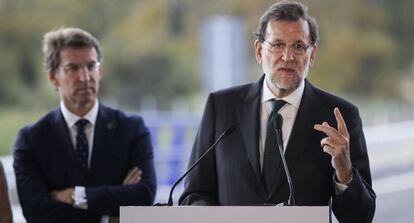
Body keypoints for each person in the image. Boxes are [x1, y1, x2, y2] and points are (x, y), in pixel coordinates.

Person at [179, 1, 375, 222]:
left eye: (299, 46)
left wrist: (345, 173)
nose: (288, 57)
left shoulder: (340, 116)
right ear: (259, 51)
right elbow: (193, 194)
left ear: (312, 55)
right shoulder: (221, 107)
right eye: (278, 44)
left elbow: (361, 217)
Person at [13, 27, 157, 223]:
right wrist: (112, 208)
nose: (85, 77)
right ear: (53, 77)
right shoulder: (31, 140)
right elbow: (36, 212)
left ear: (100, 71)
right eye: (73, 68)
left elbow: (144, 195)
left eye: (91, 66)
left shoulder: (131, 129)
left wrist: (74, 196)